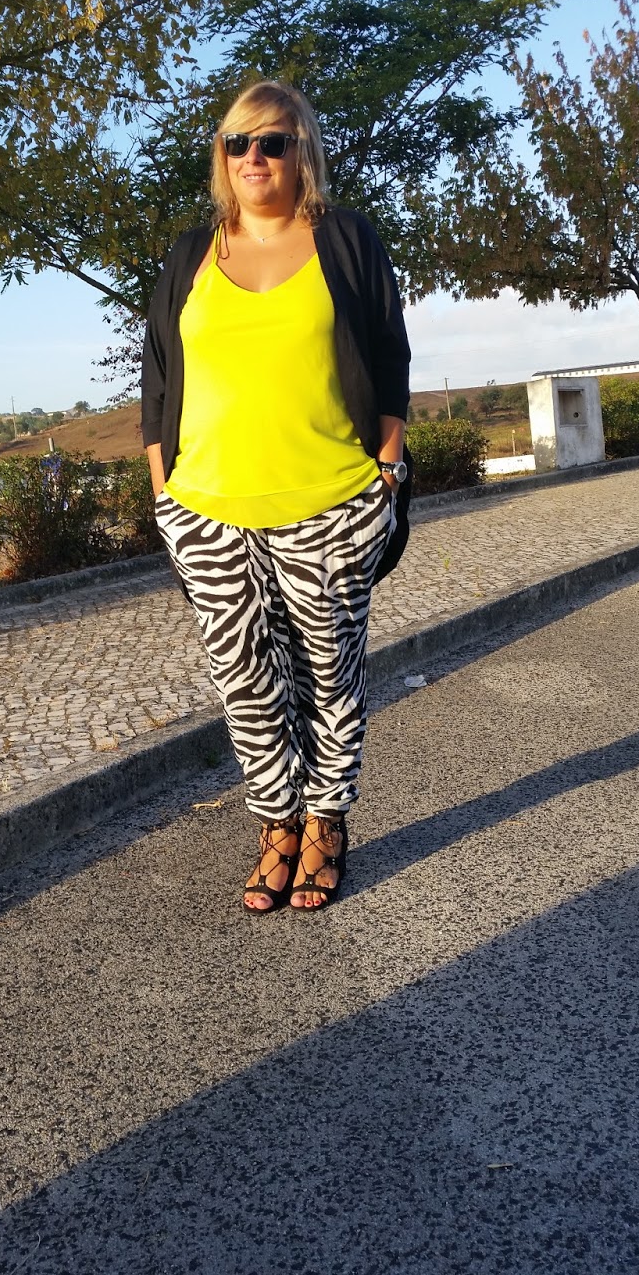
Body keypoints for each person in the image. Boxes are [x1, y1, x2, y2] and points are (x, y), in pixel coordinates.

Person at [141, 80, 410, 912]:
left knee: (329, 675)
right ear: (221, 156)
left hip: (332, 501)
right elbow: (157, 378)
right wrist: (163, 492)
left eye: (272, 142)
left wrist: (387, 471)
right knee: (246, 684)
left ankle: (327, 823)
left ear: (303, 152)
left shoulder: (346, 241)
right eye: (237, 142)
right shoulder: (192, 254)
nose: (253, 157)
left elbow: (390, 357)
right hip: (206, 508)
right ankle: (276, 826)